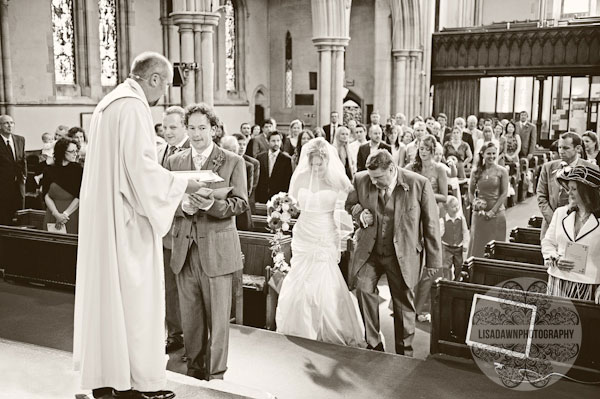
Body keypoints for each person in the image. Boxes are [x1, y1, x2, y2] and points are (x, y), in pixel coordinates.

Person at [73, 52, 204, 399]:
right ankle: (137, 384)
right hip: (127, 222)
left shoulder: (107, 104)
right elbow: (141, 170)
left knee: (109, 301)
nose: (163, 98)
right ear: (155, 78)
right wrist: (182, 185)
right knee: (137, 302)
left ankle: (107, 377)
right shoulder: (132, 107)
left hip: (107, 218)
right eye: (165, 85)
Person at [166, 103, 248, 381]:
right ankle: (194, 369)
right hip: (184, 250)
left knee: (218, 320)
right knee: (190, 317)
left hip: (217, 249)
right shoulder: (174, 162)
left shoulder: (232, 161)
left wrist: (211, 204)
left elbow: (240, 204)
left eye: (202, 128)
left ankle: (216, 374)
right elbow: (164, 201)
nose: (197, 134)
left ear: (213, 129)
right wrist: (182, 208)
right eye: (191, 128)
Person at [345, 150, 441, 355]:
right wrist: (360, 214)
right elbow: (350, 204)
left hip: (402, 253)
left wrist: (434, 260)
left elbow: (431, 223)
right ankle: (373, 344)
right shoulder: (361, 179)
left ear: (392, 169)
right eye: (371, 178)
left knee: (403, 301)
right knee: (363, 288)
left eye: (379, 178)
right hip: (370, 251)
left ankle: (404, 351)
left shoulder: (418, 184)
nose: (375, 182)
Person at [276, 137, 365, 346]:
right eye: (312, 163)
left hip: (324, 233)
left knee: (323, 281)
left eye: (319, 163)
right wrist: (281, 213)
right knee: (300, 281)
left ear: (327, 161)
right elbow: (291, 204)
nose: (315, 168)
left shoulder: (338, 180)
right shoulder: (300, 178)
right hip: (303, 233)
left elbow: (350, 205)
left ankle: (327, 327)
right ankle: (300, 327)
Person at [157, 105, 190, 357]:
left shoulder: (194, 152)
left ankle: (195, 333)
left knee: (189, 286)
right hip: (164, 229)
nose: (167, 132)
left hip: (188, 228)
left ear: (185, 126)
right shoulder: (160, 151)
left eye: (173, 127)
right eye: (164, 127)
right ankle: (175, 333)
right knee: (168, 286)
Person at [541, 166, 600, 304]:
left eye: (574, 189)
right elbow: (548, 242)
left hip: (587, 285)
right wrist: (554, 258)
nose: (569, 193)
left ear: (587, 192)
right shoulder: (560, 213)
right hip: (558, 280)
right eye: (569, 188)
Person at [406, 134, 448, 322]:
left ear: (433, 151)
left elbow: (445, 196)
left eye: (426, 149)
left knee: (430, 260)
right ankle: (408, 302)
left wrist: (425, 193)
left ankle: (422, 305)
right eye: (421, 148)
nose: (423, 152)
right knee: (414, 257)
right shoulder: (411, 168)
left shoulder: (439, 170)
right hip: (413, 217)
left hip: (431, 215)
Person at [537, 132, 597, 238]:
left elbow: (595, 199)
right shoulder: (548, 167)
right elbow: (541, 196)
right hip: (551, 225)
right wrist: (554, 219)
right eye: (559, 147)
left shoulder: (591, 169)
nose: (561, 151)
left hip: (580, 225)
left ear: (577, 148)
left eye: (566, 148)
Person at [467, 142, 509, 257]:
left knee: (495, 246)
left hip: (497, 214)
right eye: (488, 153)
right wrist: (475, 204)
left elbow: (504, 193)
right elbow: (470, 192)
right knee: (477, 244)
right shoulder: (476, 171)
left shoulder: (502, 171)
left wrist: (492, 212)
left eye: (494, 153)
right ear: (482, 154)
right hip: (480, 214)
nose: (492, 156)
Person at [42, 137, 82, 234]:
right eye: (72, 151)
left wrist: (64, 215)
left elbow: (79, 196)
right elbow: (46, 194)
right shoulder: (49, 169)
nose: (75, 154)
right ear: (62, 152)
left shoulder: (78, 170)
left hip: (71, 214)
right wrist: (56, 214)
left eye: (76, 151)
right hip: (53, 213)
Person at [221, 135, 254, 230]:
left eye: (232, 150)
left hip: (240, 212)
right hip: (222, 212)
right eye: (227, 149)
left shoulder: (247, 165)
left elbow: (246, 192)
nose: (230, 153)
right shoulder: (218, 165)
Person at [0, 115, 26, 226]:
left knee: (19, 212)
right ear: (0, 126)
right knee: (5, 213)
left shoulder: (20, 139)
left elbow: (23, 159)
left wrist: (24, 175)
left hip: (18, 183)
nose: (10, 125)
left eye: (12, 122)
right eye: (6, 123)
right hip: (3, 184)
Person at [255, 130, 293, 203]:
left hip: (278, 199)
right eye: (273, 141)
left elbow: (287, 182)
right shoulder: (260, 157)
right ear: (268, 141)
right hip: (261, 198)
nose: (276, 143)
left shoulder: (286, 160)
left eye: (278, 140)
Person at [440, 196, 469, 281]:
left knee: (459, 265)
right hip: (447, 247)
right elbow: (439, 233)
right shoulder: (442, 220)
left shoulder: (461, 219)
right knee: (446, 266)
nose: (456, 208)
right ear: (446, 209)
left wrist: (465, 244)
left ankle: (457, 281)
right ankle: (447, 281)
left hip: (458, 247)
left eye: (457, 206)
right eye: (453, 207)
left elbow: (465, 232)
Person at [234, 133, 260, 212]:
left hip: (246, 201)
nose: (242, 147)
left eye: (244, 145)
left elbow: (253, 185)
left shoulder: (253, 163)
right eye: (239, 144)